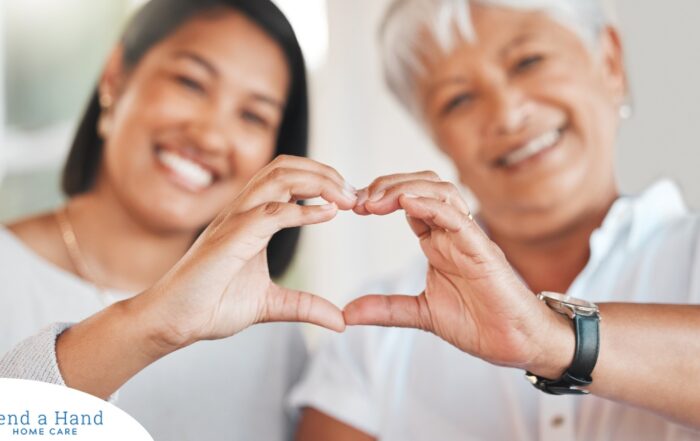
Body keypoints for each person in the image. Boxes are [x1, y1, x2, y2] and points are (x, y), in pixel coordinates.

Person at [291, 1, 700, 440]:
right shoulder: (376, 333)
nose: (506, 115)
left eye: (528, 61)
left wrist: (553, 339)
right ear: (436, 136)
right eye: (459, 99)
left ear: (609, 62)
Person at [0, 0, 357, 439]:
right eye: (190, 82)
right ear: (116, 76)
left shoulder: (272, 339)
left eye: (253, 115)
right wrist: (149, 325)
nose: (209, 136)